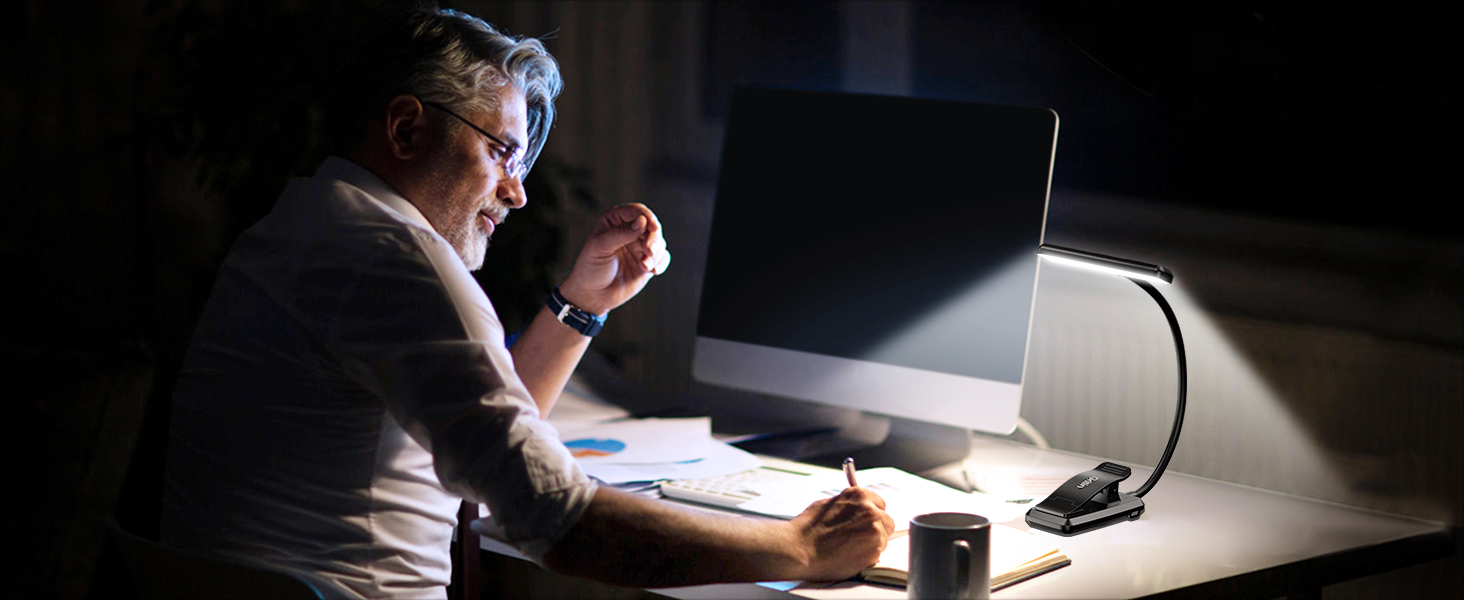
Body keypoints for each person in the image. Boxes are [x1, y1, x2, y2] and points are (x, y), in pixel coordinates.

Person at [159, 4, 894, 598]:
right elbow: (565, 525)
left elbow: (483, 431)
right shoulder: (398, 261)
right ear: (408, 128)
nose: (516, 192)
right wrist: (800, 546)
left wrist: (582, 304)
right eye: (499, 153)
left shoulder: (301, 226)